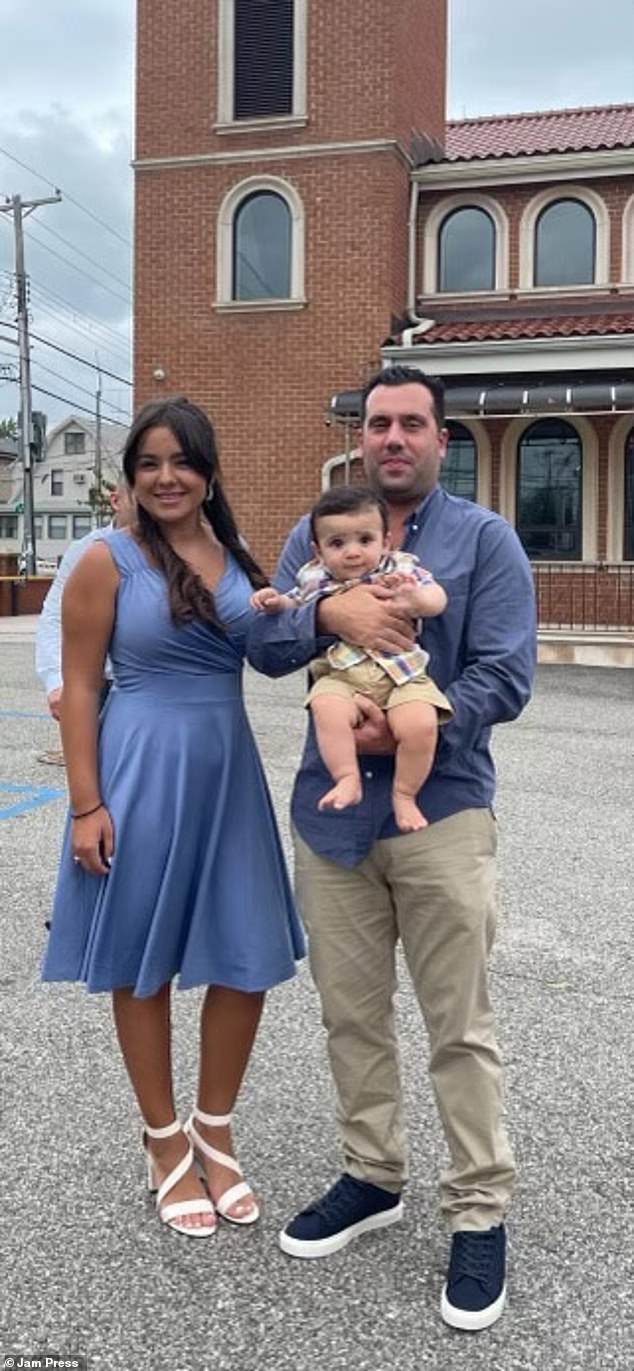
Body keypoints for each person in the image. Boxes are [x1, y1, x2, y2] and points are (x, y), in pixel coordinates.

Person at [248, 366, 536, 1330]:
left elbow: (506, 671)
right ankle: (373, 1174)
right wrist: (329, 610)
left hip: (443, 809)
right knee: (352, 1015)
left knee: (460, 1023)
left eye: (413, 423)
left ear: (440, 439)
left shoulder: (483, 541)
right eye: (378, 423)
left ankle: (479, 1207)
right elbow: (270, 644)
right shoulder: (317, 528)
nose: (394, 438)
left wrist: (419, 731)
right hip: (332, 822)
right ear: (360, 435)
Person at [42, 396, 304, 1239]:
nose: (165, 476)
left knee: (245, 952)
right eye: (147, 462)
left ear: (207, 471)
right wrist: (87, 804)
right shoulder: (105, 558)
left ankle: (214, 1130)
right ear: (130, 477)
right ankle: (163, 1140)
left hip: (226, 770)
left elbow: (269, 655)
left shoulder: (232, 555)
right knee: (143, 955)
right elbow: (81, 686)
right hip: (139, 767)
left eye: (181, 461)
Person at [251, 484, 452, 831]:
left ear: (386, 541)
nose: (353, 552)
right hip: (343, 676)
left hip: (402, 675)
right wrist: (274, 601)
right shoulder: (314, 578)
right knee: (325, 707)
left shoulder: (401, 568)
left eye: (365, 540)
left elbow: (437, 598)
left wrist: (415, 600)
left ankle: (404, 795)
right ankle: (347, 778)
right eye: (337, 544)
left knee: (420, 723)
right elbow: (291, 604)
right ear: (318, 551)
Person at [35, 483, 133, 765]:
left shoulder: (169, 549)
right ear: (116, 501)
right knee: (93, 777)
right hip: (97, 684)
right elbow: (54, 614)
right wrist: (56, 680)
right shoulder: (87, 550)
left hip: (149, 686)